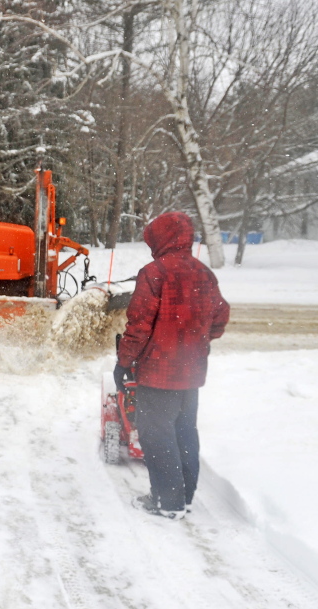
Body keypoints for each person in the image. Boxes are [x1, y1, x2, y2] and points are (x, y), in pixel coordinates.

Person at [113, 212, 230, 520]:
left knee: (157, 434)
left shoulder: (155, 273)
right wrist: (195, 340)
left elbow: (139, 325)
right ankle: (185, 497)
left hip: (158, 372)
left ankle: (168, 502)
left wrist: (124, 361)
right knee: (185, 431)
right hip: (192, 372)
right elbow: (219, 318)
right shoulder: (204, 272)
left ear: (161, 239)